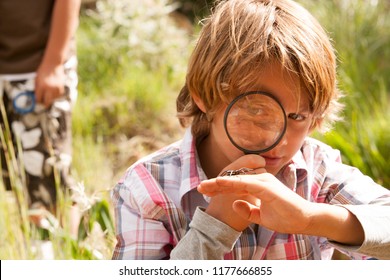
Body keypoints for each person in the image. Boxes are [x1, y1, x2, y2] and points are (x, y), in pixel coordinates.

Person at [111, 0, 390, 260]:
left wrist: (310, 218)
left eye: (297, 116)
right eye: (256, 111)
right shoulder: (148, 188)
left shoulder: (319, 171)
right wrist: (214, 229)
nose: (277, 140)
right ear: (204, 97)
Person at [0, 0, 81, 236]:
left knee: (50, 179)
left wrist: (54, 62)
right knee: (15, 178)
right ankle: (38, 253)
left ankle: (68, 256)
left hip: (37, 68)